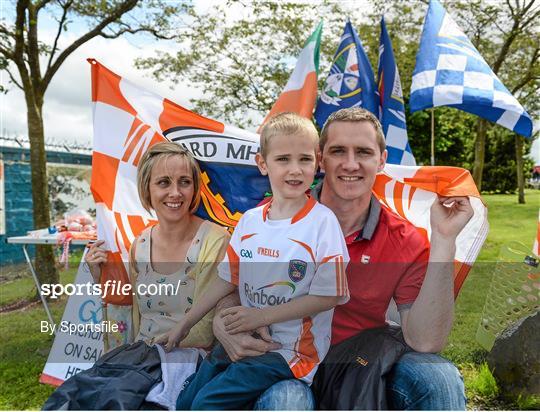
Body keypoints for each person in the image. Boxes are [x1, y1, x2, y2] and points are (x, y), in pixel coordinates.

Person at [213, 108, 474, 410]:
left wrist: (444, 240)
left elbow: (426, 343)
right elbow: (231, 287)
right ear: (321, 158)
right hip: (283, 358)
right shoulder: (269, 216)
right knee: (288, 402)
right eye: (338, 151)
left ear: (382, 159)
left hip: (359, 365)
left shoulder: (405, 239)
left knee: (438, 376)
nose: (351, 164)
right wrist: (223, 324)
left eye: (363, 152)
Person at [159, 112, 350, 410]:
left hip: (288, 353)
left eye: (304, 159)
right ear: (263, 163)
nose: (295, 170)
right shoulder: (249, 222)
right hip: (244, 339)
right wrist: (183, 325)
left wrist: (261, 317)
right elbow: (226, 280)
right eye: (283, 159)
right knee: (185, 402)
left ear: (318, 161)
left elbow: (331, 295)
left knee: (206, 404)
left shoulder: (323, 224)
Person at [85, 141, 230, 348]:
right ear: (147, 188)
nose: (175, 193)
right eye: (164, 182)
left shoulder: (215, 241)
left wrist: (149, 353)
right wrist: (100, 276)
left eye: (185, 182)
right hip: (142, 361)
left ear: (195, 188)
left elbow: (204, 331)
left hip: (192, 364)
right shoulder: (140, 244)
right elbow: (132, 317)